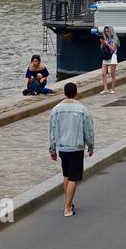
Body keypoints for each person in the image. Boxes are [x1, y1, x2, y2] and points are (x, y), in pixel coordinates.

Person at [48, 82, 94, 217]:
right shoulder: (82, 109)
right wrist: (90, 146)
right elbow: (88, 130)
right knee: (74, 177)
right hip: (76, 146)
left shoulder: (56, 109)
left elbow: (52, 130)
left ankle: (68, 201)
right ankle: (67, 208)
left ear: (64, 93)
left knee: (66, 175)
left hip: (62, 147)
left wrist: (52, 148)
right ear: (76, 93)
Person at [96, 25, 120, 93]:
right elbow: (101, 48)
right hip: (106, 56)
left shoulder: (114, 39)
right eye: (105, 31)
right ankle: (105, 89)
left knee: (112, 74)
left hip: (112, 56)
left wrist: (107, 44)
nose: (107, 32)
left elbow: (113, 49)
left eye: (108, 31)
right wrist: (102, 43)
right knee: (103, 73)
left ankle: (113, 89)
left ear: (111, 31)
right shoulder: (105, 38)